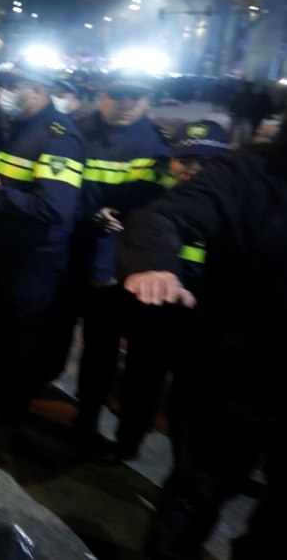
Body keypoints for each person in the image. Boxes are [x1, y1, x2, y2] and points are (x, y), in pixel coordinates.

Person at [122, 76, 287, 560]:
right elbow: (165, 216)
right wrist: (155, 262)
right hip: (232, 378)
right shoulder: (249, 170)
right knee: (194, 497)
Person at [56, 72, 172, 453]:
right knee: (74, 339)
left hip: (119, 268)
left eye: (136, 98)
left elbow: (145, 206)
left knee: (105, 349)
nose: (126, 104)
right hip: (73, 251)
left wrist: (113, 216)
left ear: (148, 103)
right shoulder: (75, 131)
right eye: (119, 96)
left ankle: (107, 428)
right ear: (101, 96)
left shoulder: (154, 147)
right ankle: (84, 418)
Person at [0, 69, 85, 425]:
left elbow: (54, 207)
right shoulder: (20, 127)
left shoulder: (58, 136)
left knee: (21, 336)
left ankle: (8, 407)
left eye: (11, 86)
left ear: (36, 89)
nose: (2, 92)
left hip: (37, 258)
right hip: (10, 248)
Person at [110, 120, 231, 464]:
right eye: (186, 159)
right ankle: (126, 443)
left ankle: (188, 466)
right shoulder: (154, 196)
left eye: (204, 162)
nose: (193, 169)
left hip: (203, 314)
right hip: (155, 310)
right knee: (140, 380)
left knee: (191, 397)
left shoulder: (233, 203)